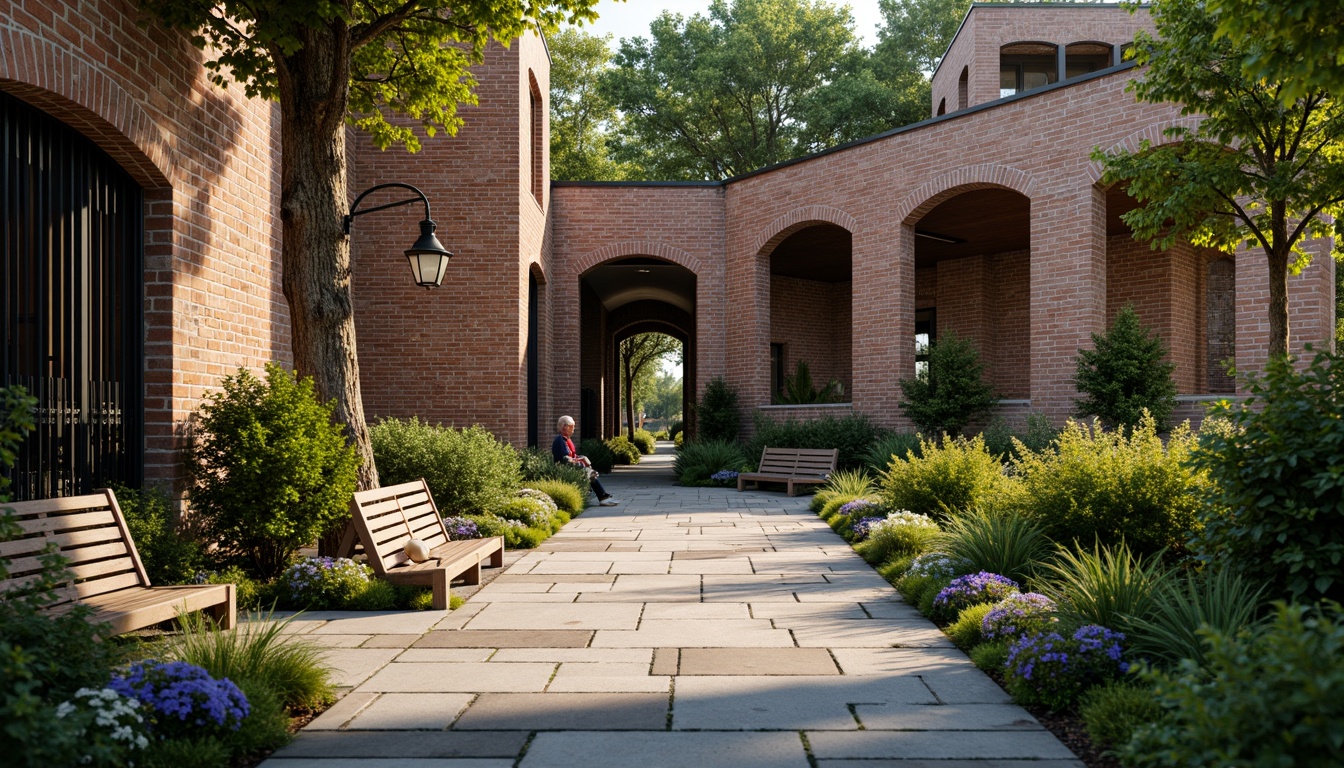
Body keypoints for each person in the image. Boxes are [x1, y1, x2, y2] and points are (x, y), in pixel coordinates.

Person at [552, 415, 619, 506]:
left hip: (572, 467)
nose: (573, 429)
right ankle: (602, 497)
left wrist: (581, 458)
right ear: (564, 426)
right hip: (565, 469)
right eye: (572, 426)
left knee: (591, 473)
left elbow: (572, 455)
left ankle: (602, 496)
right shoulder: (559, 440)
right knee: (590, 474)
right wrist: (579, 460)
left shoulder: (566, 439)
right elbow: (563, 458)